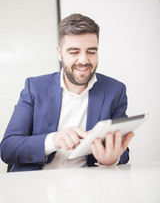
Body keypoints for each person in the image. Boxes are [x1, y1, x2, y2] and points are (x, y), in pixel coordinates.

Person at [0, 13, 134, 172]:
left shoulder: (115, 91)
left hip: (89, 186)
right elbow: (7, 148)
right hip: (36, 186)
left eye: (91, 51)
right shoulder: (35, 87)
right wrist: (52, 140)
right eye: (74, 52)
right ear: (59, 53)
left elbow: (122, 150)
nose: (84, 60)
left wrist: (111, 160)